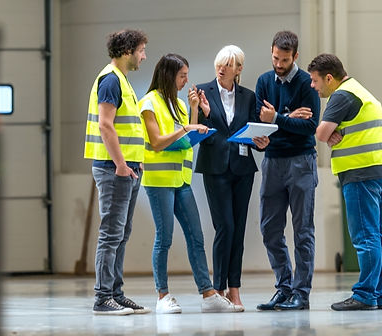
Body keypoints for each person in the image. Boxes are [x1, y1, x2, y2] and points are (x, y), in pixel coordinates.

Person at [138, 53, 238, 314]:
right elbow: (158, 142)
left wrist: (194, 112)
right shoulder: (148, 103)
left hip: (181, 180)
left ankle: (208, 294)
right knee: (165, 238)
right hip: (159, 182)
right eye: (182, 76)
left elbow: (186, 135)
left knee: (196, 236)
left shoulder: (179, 105)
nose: (186, 81)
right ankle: (163, 295)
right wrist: (187, 130)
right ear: (169, 75)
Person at [308, 53, 382, 311]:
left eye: (315, 81)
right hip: (380, 170)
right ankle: (378, 294)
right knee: (379, 235)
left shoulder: (342, 95)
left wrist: (327, 132)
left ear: (329, 78)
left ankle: (365, 295)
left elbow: (321, 133)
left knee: (365, 236)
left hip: (360, 173)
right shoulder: (360, 90)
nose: (314, 87)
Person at [192, 45, 269, 311]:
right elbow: (198, 128)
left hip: (242, 167)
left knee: (238, 230)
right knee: (224, 226)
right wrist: (206, 112)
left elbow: (253, 132)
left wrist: (263, 141)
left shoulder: (249, 96)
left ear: (239, 69)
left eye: (228, 64)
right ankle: (219, 288)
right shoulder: (202, 91)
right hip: (215, 167)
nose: (222, 68)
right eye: (219, 64)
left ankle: (235, 289)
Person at [83, 29, 150, 316]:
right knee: (111, 233)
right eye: (142, 50)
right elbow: (105, 125)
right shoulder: (111, 80)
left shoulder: (122, 81)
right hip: (114, 169)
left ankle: (116, 294)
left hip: (127, 169)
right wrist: (122, 164)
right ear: (128, 51)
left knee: (121, 233)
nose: (144, 56)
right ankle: (102, 298)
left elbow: (128, 128)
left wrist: (134, 162)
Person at [253, 31, 320, 311]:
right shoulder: (264, 82)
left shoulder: (307, 83)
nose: (278, 64)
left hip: (301, 161)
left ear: (295, 56)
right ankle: (284, 287)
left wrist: (277, 118)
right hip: (272, 161)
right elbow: (260, 120)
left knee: (302, 230)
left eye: (284, 60)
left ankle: (301, 293)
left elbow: (311, 126)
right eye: (275, 58)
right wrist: (264, 135)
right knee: (269, 229)